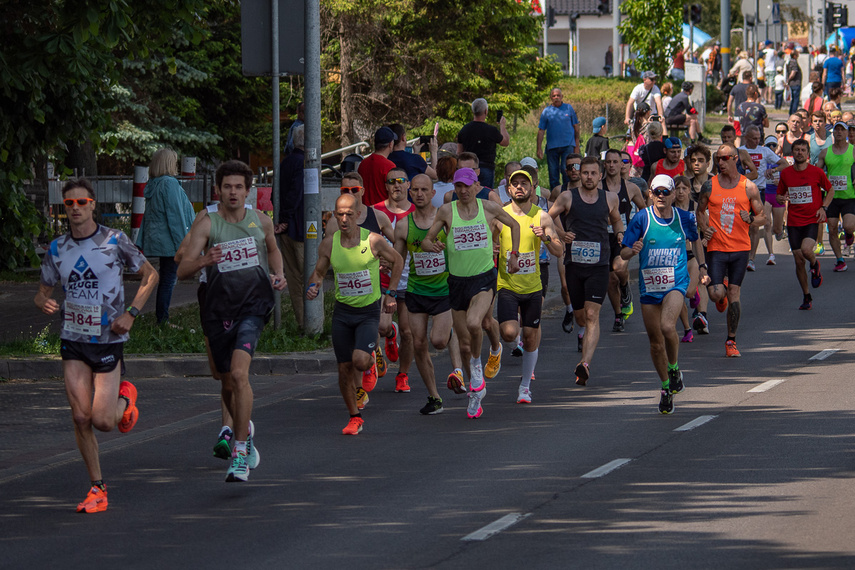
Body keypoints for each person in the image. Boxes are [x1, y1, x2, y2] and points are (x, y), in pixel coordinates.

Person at [35, 178, 158, 513]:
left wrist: (131, 313)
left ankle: (126, 397)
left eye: (82, 202)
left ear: (93, 205)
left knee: (103, 421)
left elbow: (151, 275)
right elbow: (43, 290)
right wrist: (41, 302)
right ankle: (97, 487)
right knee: (79, 417)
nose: (75, 209)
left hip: (108, 339)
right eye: (69, 204)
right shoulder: (57, 248)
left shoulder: (114, 241)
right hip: (72, 338)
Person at [177, 160, 286, 481]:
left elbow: (273, 249)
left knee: (240, 375)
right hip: (218, 309)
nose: (233, 192)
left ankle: (239, 451)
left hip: (252, 306)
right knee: (224, 380)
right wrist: (204, 260)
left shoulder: (261, 221)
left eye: (239, 186)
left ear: (248, 191)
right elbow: (182, 269)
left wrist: (278, 274)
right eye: (228, 187)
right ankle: (245, 427)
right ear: (218, 190)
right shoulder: (207, 224)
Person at [421, 167, 521, 418]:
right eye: (458, 186)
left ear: (477, 186)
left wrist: (514, 255)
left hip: (484, 278)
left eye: (468, 185)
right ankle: (475, 395)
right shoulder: (446, 211)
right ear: (454, 188)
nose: (463, 191)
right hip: (456, 282)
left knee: (476, 322)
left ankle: (478, 366)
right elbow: (426, 239)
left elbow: (515, 225)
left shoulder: (489, 208)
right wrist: (431, 245)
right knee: (464, 345)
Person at [306, 194, 403, 434]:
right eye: (340, 214)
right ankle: (354, 417)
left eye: (350, 213)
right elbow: (318, 272)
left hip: (368, 312)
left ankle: (371, 360)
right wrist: (313, 285)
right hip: (342, 313)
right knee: (343, 368)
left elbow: (398, 260)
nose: (345, 218)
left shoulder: (372, 240)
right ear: (334, 216)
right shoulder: (329, 243)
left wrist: (391, 293)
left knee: (359, 360)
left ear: (358, 215)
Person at [621, 174, 707, 414]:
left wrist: (702, 267)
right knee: (656, 343)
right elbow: (624, 252)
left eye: (665, 192)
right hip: (649, 287)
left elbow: (696, 240)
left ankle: (674, 367)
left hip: (675, 284)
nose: (660, 196)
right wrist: (632, 250)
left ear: (672, 195)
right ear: (650, 194)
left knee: (668, 327)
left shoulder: (684, 218)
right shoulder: (641, 219)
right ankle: (666, 387)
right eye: (656, 192)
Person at [548, 157, 625, 384]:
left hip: (599, 266)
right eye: (585, 173)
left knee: (592, 315)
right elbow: (546, 218)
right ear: (579, 175)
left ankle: (585, 363)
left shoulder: (609, 198)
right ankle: (583, 350)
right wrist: (561, 235)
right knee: (581, 317)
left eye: (593, 173)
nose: (589, 177)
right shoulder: (567, 197)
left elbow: (617, 220)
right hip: (574, 266)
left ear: (600, 175)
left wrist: (619, 234)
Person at [393, 174, 464, 414]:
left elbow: (461, 248)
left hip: (444, 290)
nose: (420, 194)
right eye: (415, 190)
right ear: (409, 193)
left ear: (433, 193)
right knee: (419, 343)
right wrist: (390, 292)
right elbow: (398, 260)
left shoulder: (444, 219)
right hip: (416, 291)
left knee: (439, 341)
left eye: (425, 189)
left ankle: (451, 332)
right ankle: (434, 397)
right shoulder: (404, 225)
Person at [495, 169, 563, 403]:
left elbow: (559, 250)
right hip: (507, 285)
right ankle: (503, 347)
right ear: (509, 189)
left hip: (533, 286)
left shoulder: (542, 216)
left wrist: (544, 237)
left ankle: (524, 386)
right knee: (509, 333)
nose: (520, 187)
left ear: (532, 188)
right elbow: (490, 243)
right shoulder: (500, 215)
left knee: (531, 337)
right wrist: (493, 250)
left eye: (525, 183)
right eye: (516, 184)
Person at [695, 143, 766, 357]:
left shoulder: (748, 186)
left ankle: (731, 341)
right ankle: (721, 292)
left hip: (740, 248)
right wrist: (705, 229)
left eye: (725, 158)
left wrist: (752, 219)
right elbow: (700, 211)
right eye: (718, 158)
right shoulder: (710, 185)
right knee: (716, 293)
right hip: (716, 247)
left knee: (735, 292)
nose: (721, 162)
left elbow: (763, 217)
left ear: (736, 159)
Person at [135, 148, 195, 324]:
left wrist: (141, 241)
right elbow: (175, 216)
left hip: (160, 241)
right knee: (169, 280)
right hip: (171, 242)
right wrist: (183, 245)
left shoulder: (153, 184)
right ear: (170, 163)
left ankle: (162, 317)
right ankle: (163, 320)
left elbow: (148, 216)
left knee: (165, 278)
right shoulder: (169, 183)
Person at [372, 168, 416, 393]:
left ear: (408, 184)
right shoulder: (375, 212)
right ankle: (390, 334)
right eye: (391, 182)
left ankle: (403, 374)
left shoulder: (418, 212)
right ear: (386, 186)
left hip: (410, 280)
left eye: (401, 181)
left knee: (409, 332)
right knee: (382, 326)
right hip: (381, 279)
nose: (396, 185)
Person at [777, 138, 832, 309]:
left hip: (811, 219)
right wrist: (780, 198)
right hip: (794, 221)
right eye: (797, 150)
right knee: (799, 261)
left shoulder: (816, 172)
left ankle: (815, 265)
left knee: (807, 250)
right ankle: (806, 295)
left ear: (808, 154)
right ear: (792, 153)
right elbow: (780, 195)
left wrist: (824, 207)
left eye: (803, 150)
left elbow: (830, 190)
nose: (799, 152)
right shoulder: (786, 174)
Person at [602, 149, 647, 332]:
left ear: (622, 165)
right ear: (604, 164)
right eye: (608, 162)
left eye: (615, 162)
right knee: (609, 280)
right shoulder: (597, 187)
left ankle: (625, 286)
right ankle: (618, 315)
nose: (612, 165)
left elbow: (644, 211)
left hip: (624, 236)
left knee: (619, 268)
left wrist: (642, 233)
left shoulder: (631, 188)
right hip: (603, 237)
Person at [739, 125, 788, 271]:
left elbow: (784, 164)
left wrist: (772, 169)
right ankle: (741, 254)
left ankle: (751, 259)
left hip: (759, 191)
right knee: (742, 226)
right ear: (746, 137)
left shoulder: (765, 150)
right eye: (753, 138)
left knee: (755, 226)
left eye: (759, 138)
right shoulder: (741, 151)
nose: (756, 141)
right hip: (741, 191)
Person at [275, 124, 306, 329]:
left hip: (285, 228)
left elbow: (275, 192)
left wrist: (280, 220)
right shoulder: (305, 163)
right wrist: (286, 217)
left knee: (294, 279)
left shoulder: (285, 162)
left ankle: (303, 322)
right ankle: (313, 324)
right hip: (300, 228)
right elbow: (296, 193)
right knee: (310, 275)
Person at [816, 121, 855, 272]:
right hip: (831, 197)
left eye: (842, 130)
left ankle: (849, 234)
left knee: (848, 225)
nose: (839, 132)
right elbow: (817, 173)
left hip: (849, 196)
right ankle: (840, 260)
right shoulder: (825, 152)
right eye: (836, 130)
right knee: (832, 228)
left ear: (846, 133)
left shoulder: (852, 150)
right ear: (833, 133)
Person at [456, 98, 509, 188]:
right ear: (486, 111)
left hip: (469, 167)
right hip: (486, 167)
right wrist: (502, 126)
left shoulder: (465, 129)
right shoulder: (491, 130)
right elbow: (505, 142)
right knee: (485, 195)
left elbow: (459, 152)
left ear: (473, 111)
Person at [537, 87, 581, 191]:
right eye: (554, 96)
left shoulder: (568, 108)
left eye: (558, 95)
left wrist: (577, 145)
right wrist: (539, 148)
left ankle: (569, 193)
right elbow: (541, 130)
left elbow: (576, 127)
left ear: (562, 97)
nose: (556, 97)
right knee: (553, 173)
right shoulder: (546, 111)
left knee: (567, 170)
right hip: (552, 147)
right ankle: (556, 195)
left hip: (568, 146)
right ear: (550, 97)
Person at [358, 127, 397, 205]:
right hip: (383, 212)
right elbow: (394, 193)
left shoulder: (363, 164)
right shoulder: (389, 166)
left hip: (365, 211)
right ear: (390, 144)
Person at [727, 71, 754, 144]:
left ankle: (738, 152)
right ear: (750, 78)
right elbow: (758, 102)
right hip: (750, 116)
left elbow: (729, 103)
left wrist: (729, 114)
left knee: (738, 135)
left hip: (737, 115)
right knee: (748, 135)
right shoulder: (752, 88)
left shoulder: (736, 87)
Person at [787, 49, 803, 115]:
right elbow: (793, 72)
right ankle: (793, 113)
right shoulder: (794, 62)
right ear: (794, 56)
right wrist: (789, 79)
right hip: (795, 83)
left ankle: (791, 112)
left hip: (793, 83)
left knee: (793, 99)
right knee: (795, 99)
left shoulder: (790, 62)